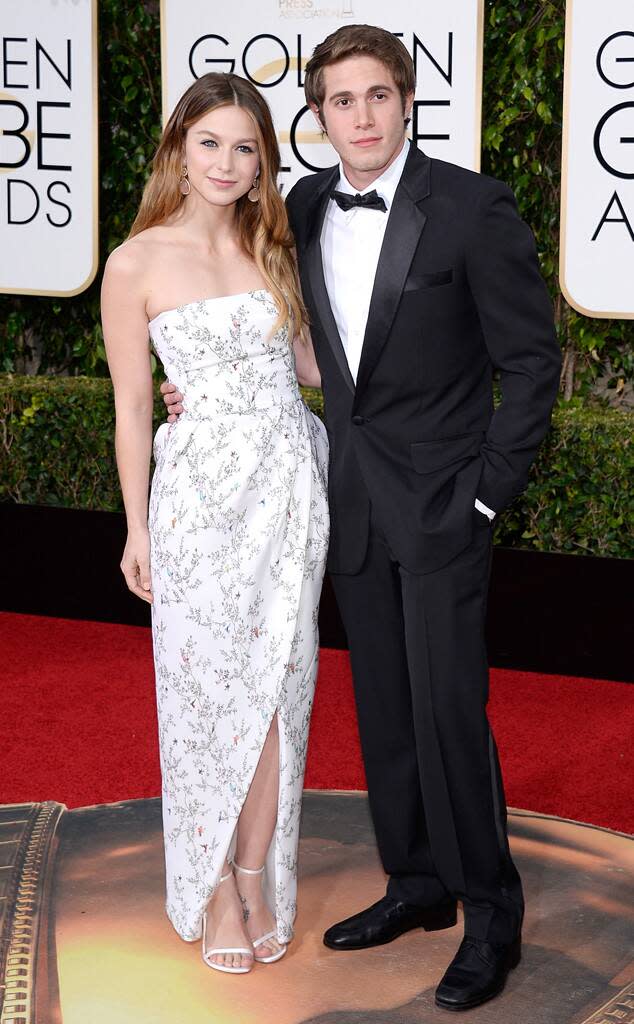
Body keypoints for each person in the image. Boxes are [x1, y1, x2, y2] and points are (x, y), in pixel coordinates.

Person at [162, 25, 562, 1010]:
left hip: (443, 505)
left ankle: (488, 912)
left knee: (445, 713)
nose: (362, 116)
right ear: (317, 116)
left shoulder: (470, 207)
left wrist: (483, 492)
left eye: (376, 95)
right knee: (383, 711)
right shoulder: (298, 203)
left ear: (407, 98)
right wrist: (202, 395)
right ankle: (416, 883)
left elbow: (532, 365)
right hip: (341, 501)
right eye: (340, 101)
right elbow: (301, 355)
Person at [102, 72, 329, 976]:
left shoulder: (276, 245)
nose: (228, 163)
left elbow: (316, 369)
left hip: (286, 492)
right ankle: (211, 886)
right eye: (211, 144)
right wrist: (136, 530)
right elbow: (128, 409)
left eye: (247, 147)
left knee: (279, 690)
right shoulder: (135, 263)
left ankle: (252, 870)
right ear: (179, 151)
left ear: (263, 159)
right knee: (203, 696)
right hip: (195, 499)